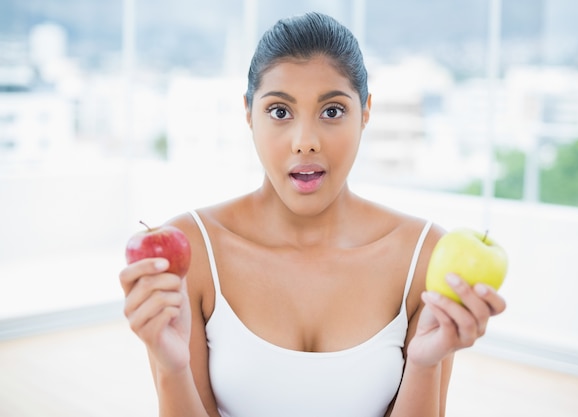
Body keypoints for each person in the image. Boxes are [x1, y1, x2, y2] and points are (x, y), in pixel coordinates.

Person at [119, 11, 506, 417]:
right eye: (280, 112)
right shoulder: (191, 249)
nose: (305, 143)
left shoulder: (424, 254)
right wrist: (170, 368)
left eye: (333, 111)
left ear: (366, 112)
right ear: (249, 113)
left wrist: (426, 366)